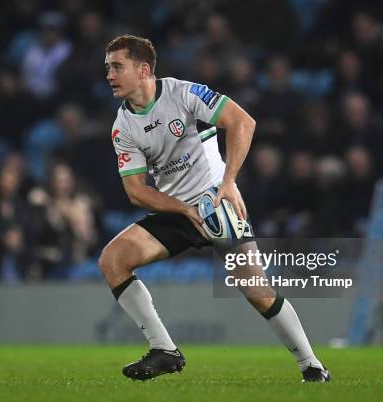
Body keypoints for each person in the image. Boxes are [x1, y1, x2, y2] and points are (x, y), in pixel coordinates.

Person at [100, 35, 330, 382]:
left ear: (143, 69)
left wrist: (229, 183)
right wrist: (181, 209)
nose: (110, 74)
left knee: (258, 292)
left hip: (216, 204)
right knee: (112, 260)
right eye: (108, 68)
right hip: (178, 211)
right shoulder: (123, 126)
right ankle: (165, 350)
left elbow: (243, 122)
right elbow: (136, 191)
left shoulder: (184, 93)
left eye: (117, 66)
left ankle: (311, 366)